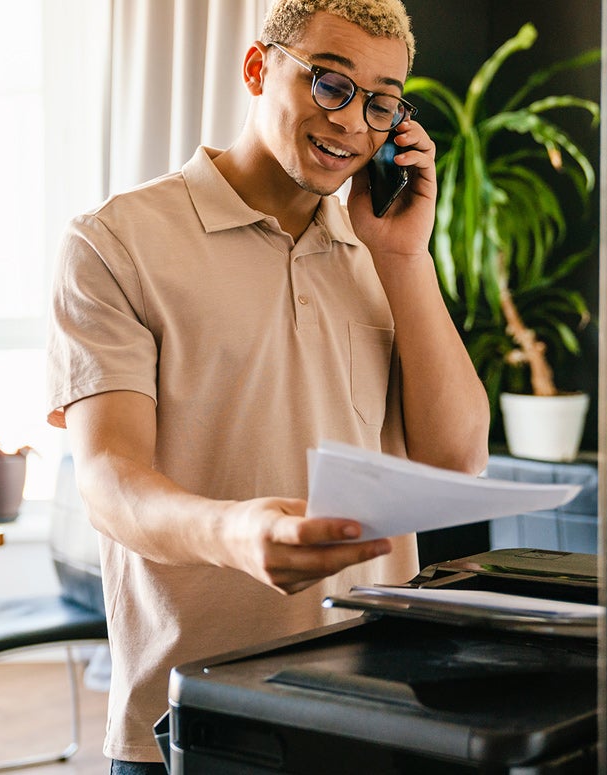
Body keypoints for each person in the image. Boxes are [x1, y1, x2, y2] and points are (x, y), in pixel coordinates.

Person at [43, 1, 490, 772]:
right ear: (258, 69)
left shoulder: (380, 243)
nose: (353, 122)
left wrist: (404, 259)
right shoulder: (114, 241)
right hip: (194, 714)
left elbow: (455, 459)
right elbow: (107, 482)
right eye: (329, 84)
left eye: (381, 102)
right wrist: (237, 534)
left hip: (374, 703)